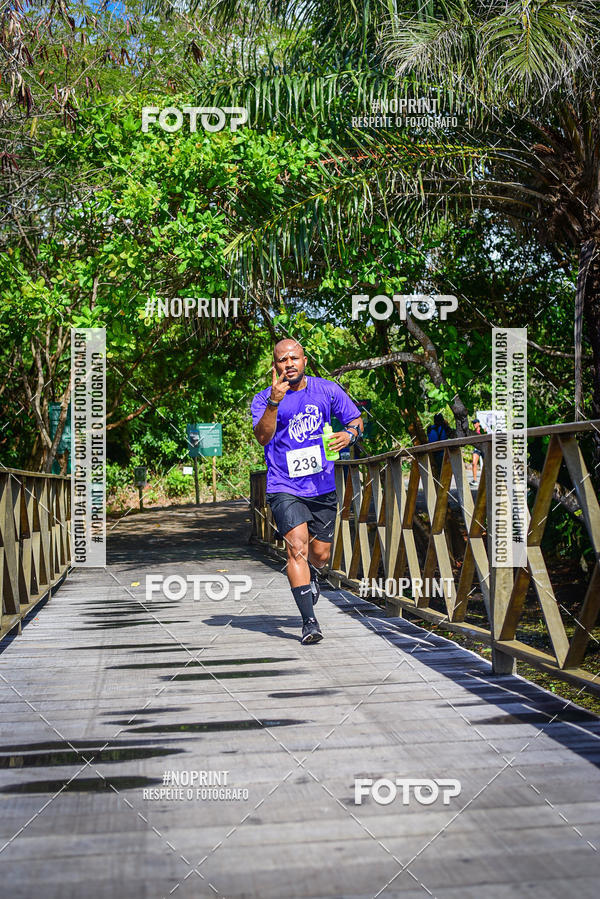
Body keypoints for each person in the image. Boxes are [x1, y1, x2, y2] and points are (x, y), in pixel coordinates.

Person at [251, 339, 363, 645]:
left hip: (322, 485)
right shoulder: (263, 399)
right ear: (274, 366)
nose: (289, 364)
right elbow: (262, 437)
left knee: (319, 554)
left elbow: (356, 420)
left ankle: (313, 576)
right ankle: (309, 622)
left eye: (294, 358)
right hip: (284, 485)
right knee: (296, 547)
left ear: (305, 360)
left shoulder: (327, 390)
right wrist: (274, 402)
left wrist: (349, 435)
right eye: (282, 360)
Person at [470, 418, 486, 486]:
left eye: (475, 423)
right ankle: (475, 480)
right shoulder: (473, 432)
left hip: (483, 448)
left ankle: (487, 479)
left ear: (479, 423)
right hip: (476, 449)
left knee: (486, 464)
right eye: (473, 423)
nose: (474, 424)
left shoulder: (483, 430)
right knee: (474, 463)